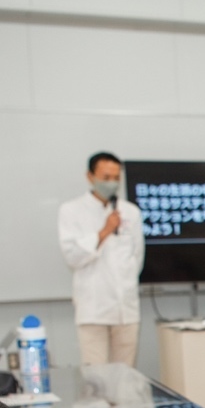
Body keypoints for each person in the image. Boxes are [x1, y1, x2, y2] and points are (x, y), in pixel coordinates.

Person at [55, 152, 144, 372]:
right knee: (97, 378)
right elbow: (72, 257)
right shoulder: (71, 211)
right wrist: (104, 231)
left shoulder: (130, 212)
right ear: (90, 176)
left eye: (116, 178)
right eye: (106, 177)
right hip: (93, 309)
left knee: (126, 376)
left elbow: (137, 258)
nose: (111, 183)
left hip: (126, 309)